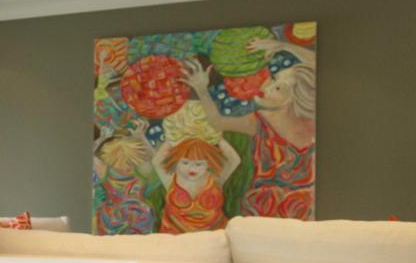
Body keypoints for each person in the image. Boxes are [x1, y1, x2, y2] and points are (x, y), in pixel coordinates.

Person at [179, 36, 317, 220]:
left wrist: (282, 45)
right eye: (273, 79)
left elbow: (317, 63)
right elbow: (218, 122)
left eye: (278, 88)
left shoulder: (274, 121)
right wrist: (202, 90)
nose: (267, 88)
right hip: (268, 207)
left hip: (292, 207)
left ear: (293, 98)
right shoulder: (262, 121)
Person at [152, 134, 239, 234]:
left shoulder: (215, 178)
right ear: (176, 162)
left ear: (208, 164)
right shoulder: (171, 178)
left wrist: (217, 137)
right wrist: (173, 137)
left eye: (199, 164)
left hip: (213, 235)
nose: (191, 168)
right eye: (185, 163)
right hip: (176, 237)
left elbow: (234, 160)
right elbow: (156, 161)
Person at [93, 133, 155, 235]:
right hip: (133, 217)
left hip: (118, 218)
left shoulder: (105, 174)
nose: (126, 168)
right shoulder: (140, 178)